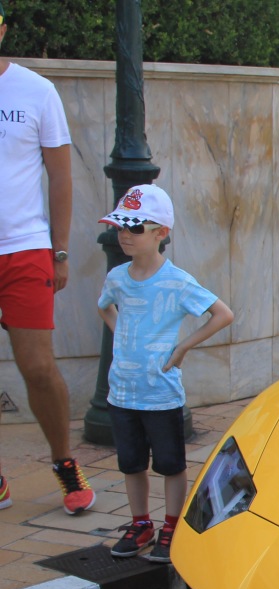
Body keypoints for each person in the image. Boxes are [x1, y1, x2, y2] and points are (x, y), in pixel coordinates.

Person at [96, 185, 234, 563]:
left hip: (160, 393)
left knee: (171, 464)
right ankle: (140, 524)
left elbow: (222, 314)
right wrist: (123, 338)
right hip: (122, 391)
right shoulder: (117, 277)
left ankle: (171, 525)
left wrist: (183, 346)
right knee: (131, 463)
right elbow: (104, 307)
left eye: (135, 228)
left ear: (161, 233)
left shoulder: (177, 281)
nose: (124, 234)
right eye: (120, 226)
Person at [0, 6, 96, 516]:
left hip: (24, 248)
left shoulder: (35, 91)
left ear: (1, 29)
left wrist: (59, 251)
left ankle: (64, 463)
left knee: (37, 367)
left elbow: (60, 176)